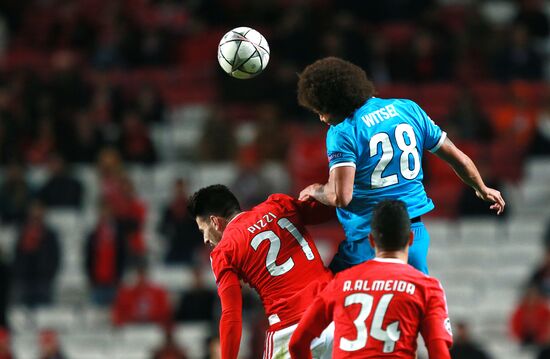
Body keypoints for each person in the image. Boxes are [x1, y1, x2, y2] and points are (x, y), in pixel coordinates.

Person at [297, 56, 505, 273]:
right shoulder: (407, 109)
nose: (321, 118)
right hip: (413, 235)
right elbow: (458, 157)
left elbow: (340, 196)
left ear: (335, 102)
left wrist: (316, 190)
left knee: (328, 299)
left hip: (368, 241)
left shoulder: (343, 132)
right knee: (416, 299)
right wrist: (481, 188)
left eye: (321, 110)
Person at [289, 200, 453, 358]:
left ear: (372, 240)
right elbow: (438, 352)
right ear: (410, 239)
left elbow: (297, 343)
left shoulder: (340, 282)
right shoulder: (427, 287)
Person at [187, 185, 335, 359]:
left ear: (215, 222)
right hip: (334, 313)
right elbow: (334, 207)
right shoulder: (278, 204)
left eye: (203, 230)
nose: (205, 239)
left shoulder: (223, 251)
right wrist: (322, 190)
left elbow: (231, 315)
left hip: (289, 330)